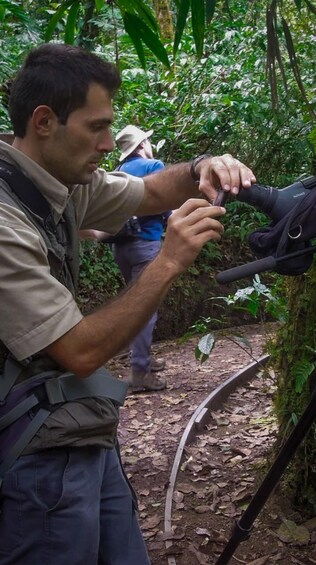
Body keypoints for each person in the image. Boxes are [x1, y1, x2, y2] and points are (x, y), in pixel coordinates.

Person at [0, 43, 255, 565]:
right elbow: (80, 350)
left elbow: (149, 192)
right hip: (32, 447)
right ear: (44, 121)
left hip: (78, 421)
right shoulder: (6, 219)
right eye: (96, 128)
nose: (106, 143)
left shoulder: (61, 184)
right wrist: (167, 262)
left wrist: (202, 167)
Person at [112, 125, 171, 392]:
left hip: (120, 248)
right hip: (146, 244)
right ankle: (140, 373)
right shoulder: (153, 165)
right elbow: (166, 200)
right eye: (147, 140)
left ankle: (143, 359)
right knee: (145, 308)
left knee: (136, 304)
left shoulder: (119, 172)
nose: (150, 144)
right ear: (141, 145)